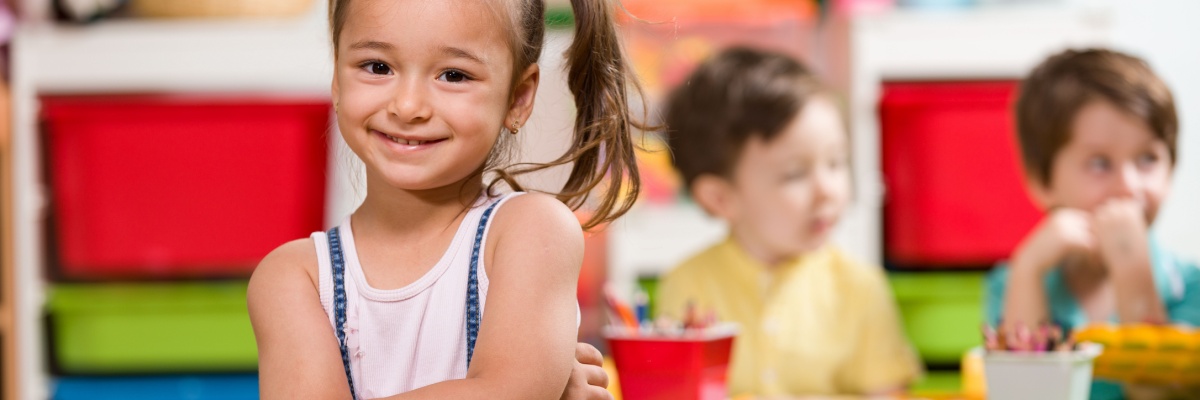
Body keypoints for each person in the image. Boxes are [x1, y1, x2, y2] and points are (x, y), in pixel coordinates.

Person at [248, 0, 648, 398]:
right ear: (337, 78)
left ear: (518, 98)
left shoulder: (532, 234)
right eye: (378, 67)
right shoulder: (293, 279)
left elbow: (507, 392)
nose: (407, 106)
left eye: (453, 75)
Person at [655, 46, 922, 397]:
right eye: (795, 174)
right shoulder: (688, 285)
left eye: (836, 162)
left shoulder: (860, 288)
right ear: (721, 198)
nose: (827, 189)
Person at [985, 48, 1200, 400]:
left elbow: (1155, 394)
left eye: (1148, 158)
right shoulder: (1012, 283)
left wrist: (1132, 271)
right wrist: (1028, 272)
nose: (1129, 186)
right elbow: (1025, 395)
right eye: (1100, 163)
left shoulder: (1188, 287)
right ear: (1042, 180)